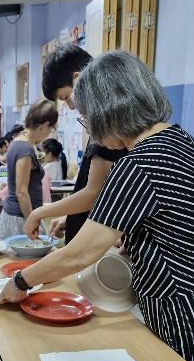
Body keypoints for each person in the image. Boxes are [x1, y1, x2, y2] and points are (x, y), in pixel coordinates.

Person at [0, 50, 194, 361]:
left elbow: (79, 253)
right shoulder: (185, 143)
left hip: (189, 313)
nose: (90, 129)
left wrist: (21, 282)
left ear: (108, 111)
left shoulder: (139, 163)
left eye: (86, 118)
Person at [26, 44, 126, 245]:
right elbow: (101, 195)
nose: (70, 106)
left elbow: (93, 193)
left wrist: (40, 212)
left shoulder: (109, 129)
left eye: (66, 98)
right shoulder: (102, 124)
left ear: (78, 78)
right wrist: (72, 216)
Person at [0, 99, 58, 241]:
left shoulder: (18, 142)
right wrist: (32, 221)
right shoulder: (25, 148)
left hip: (18, 215)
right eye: (51, 129)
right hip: (20, 217)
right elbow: (21, 191)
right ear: (45, 126)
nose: (49, 133)